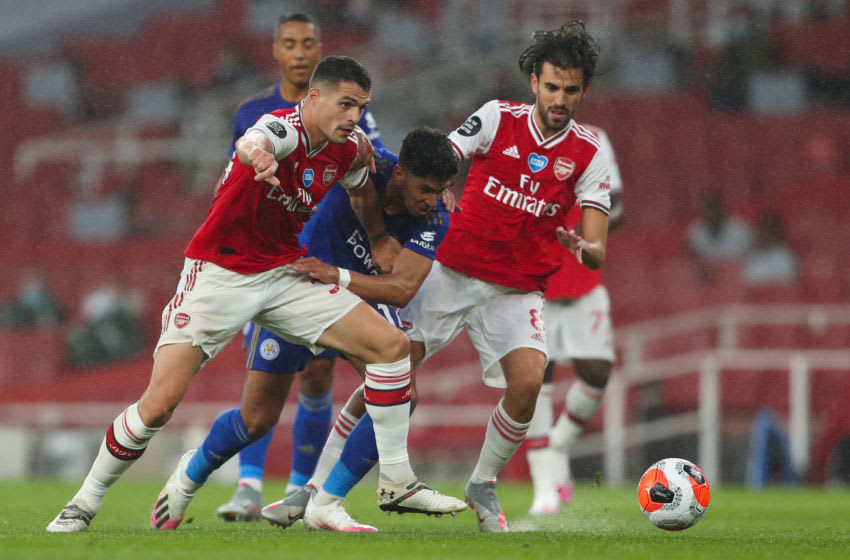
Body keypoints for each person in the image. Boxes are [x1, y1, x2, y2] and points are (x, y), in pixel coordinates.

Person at [46, 55, 464, 533]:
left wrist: (376, 237)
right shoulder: (282, 130)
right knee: (159, 405)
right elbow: (257, 138)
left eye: (361, 107)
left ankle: (394, 480)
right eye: (345, 104)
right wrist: (257, 152)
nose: (354, 116)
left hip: (284, 270)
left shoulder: (351, 150)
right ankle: (85, 500)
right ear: (314, 98)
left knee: (394, 350)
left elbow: (362, 189)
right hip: (220, 272)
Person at [283, 22, 613, 533]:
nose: (560, 98)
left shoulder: (590, 154)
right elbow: (442, 156)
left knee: (526, 384)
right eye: (552, 86)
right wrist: (443, 188)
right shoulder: (496, 117)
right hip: (450, 271)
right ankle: (316, 487)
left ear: (583, 90)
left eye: (571, 89)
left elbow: (596, 249)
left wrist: (584, 246)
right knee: (391, 373)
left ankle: (482, 481)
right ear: (534, 82)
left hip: (516, 288)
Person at [204, 126, 458, 532]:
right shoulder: (360, 156)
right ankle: (202, 480)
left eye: (439, 189)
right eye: (425, 188)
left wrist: (336, 274)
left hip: (351, 287)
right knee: (258, 416)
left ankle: (324, 494)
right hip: (299, 284)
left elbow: (402, 288)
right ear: (399, 176)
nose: (431, 200)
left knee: (399, 390)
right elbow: (313, 155)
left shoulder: (434, 211)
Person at [215, 12, 394, 523]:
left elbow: (373, 166)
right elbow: (235, 175)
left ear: (319, 52)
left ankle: (296, 489)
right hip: (267, 257)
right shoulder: (253, 111)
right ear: (275, 50)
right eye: (290, 43)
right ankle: (248, 486)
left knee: (316, 378)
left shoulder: (347, 111)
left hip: (323, 252)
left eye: (308, 43)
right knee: (265, 371)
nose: (299, 52)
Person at [525, 125, 625, 516]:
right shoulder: (520, 139)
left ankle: (558, 444)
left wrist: (593, 225)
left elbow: (617, 205)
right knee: (537, 377)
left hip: (582, 276)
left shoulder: (595, 140)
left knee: (597, 373)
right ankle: (544, 487)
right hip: (535, 278)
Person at [741, 212, 797, 285]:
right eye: (758, 230)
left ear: (775, 234)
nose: (760, 235)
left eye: (764, 232)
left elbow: (785, 288)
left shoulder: (785, 259)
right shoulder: (746, 253)